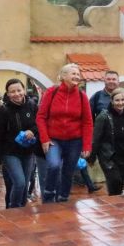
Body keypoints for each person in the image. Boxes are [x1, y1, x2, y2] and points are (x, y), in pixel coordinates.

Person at [36, 64, 93, 203]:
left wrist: (86, 146)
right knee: (54, 165)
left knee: (68, 170)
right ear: (63, 76)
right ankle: (49, 195)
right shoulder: (51, 92)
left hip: (75, 140)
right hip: (54, 139)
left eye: (78, 74)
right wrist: (44, 138)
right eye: (73, 73)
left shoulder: (81, 96)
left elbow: (87, 122)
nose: (76, 76)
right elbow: (40, 117)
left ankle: (63, 197)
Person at [0, 79, 38, 208]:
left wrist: (31, 131)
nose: (16, 94)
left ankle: (21, 207)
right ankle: (14, 209)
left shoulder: (32, 105)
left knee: (26, 182)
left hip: (28, 152)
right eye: (12, 91)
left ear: (23, 90)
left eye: (19, 90)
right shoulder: (3, 110)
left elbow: (38, 124)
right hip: (10, 152)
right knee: (19, 182)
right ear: (8, 93)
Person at [90, 88, 124, 195]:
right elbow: (96, 138)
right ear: (112, 101)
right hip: (110, 157)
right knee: (115, 183)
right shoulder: (104, 116)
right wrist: (91, 157)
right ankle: (114, 209)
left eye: (123, 100)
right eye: (117, 100)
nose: (120, 103)